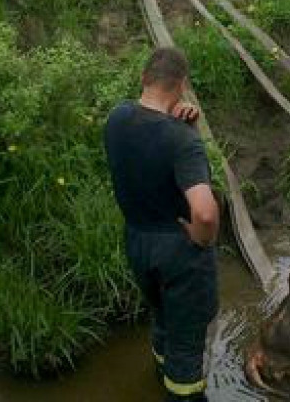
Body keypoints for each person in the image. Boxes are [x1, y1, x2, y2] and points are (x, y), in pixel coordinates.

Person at [103, 47, 219, 401]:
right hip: (178, 253)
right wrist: (203, 240)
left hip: (138, 241)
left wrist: (182, 124)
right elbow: (205, 212)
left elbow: (148, 147)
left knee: (163, 319)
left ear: (144, 78)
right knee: (186, 349)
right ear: (181, 86)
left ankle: (159, 374)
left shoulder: (117, 118)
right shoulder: (183, 142)